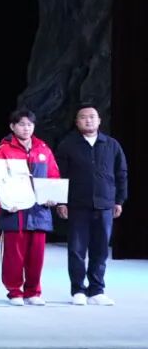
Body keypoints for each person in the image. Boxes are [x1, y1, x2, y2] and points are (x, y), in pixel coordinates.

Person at [55, 103, 128, 306]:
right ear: (77, 122)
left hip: (105, 204)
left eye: (92, 116)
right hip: (77, 205)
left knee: (101, 250)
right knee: (76, 250)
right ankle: (78, 290)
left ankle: (97, 290)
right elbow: (59, 175)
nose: (88, 120)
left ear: (99, 120)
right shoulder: (67, 145)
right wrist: (61, 201)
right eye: (83, 117)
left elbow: (121, 173)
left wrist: (119, 200)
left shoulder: (112, 144)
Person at [0, 109, 59, 306]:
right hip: (13, 211)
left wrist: (53, 197)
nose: (26, 128)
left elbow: (53, 176)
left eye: (30, 124)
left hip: (38, 211)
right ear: (12, 127)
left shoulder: (43, 149)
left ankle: (33, 291)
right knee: (13, 254)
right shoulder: (3, 150)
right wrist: (6, 201)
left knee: (36, 255)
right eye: (21, 124)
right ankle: (14, 291)